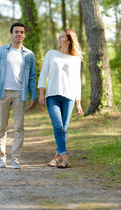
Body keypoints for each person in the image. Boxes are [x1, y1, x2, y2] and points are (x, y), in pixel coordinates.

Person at [0, 22, 37, 169]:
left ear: (24, 35)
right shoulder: (1, 51)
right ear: (11, 34)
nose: (19, 34)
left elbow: (32, 77)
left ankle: (15, 158)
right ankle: (1, 159)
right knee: (1, 127)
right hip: (3, 92)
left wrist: (32, 95)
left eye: (22, 32)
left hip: (19, 94)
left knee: (19, 128)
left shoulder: (29, 55)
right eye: (16, 32)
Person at [38, 28, 84, 169]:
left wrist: (78, 102)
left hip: (69, 97)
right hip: (52, 96)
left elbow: (76, 81)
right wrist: (41, 93)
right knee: (58, 127)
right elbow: (43, 74)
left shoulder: (75, 59)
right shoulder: (51, 54)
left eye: (62, 36)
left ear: (69, 40)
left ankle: (57, 158)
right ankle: (66, 158)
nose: (59, 37)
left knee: (64, 129)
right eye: (59, 35)